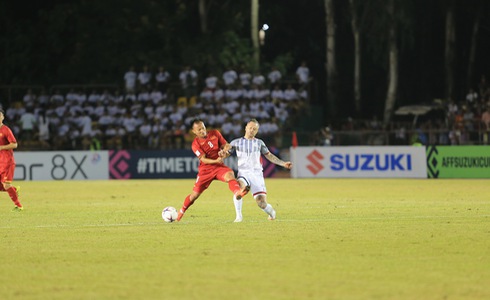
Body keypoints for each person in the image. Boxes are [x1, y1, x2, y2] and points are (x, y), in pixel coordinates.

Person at [176, 118, 249, 221]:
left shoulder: (215, 133)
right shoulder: (195, 144)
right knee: (194, 195)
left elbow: (227, 145)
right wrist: (216, 160)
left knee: (230, 175)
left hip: (218, 167)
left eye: (203, 128)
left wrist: (224, 151)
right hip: (205, 170)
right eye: (199, 130)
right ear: (194, 132)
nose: (202, 131)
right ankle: (181, 211)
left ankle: (238, 192)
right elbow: (204, 159)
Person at [225, 119, 292, 222]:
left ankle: (272, 213)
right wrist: (221, 155)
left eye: (254, 129)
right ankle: (239, 216)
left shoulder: (259, 143)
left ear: (257, 131)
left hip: (257, 175)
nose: (252, 130)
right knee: (239, 188)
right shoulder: (236, 142)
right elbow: (226, 154)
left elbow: (269, 156)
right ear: (246, 128)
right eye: (250, 128)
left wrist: (283, 163)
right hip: (243, 173)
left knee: (261, 203)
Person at [0, 109, 23, 211]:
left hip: (7, 161)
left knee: (6, 184)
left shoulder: (6, 130)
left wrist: (1, 147)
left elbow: (14, 144)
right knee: (4, 187)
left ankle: (19, 206)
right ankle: (14, 190)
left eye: (0, 115)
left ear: (3, 117)